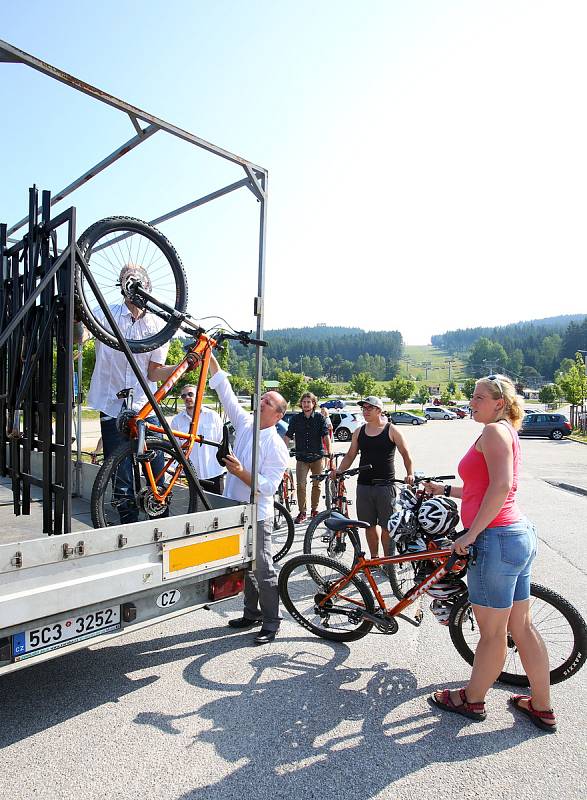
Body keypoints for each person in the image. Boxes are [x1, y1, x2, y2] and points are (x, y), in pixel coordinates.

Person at [426, 374, 556, 732]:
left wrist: (470, 534)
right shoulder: (504, 432)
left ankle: (472, 699)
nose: (472, 402)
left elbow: (500, 487)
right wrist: (443, 489)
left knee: (493, 632)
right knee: (521, 626)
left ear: (499, 402)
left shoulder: (494, 432)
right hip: (515, 535)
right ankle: (541, 705)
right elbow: (482, 489)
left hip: (496, 540)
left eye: (479, 397)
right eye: (473, 396)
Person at [78, 264, 180, 524]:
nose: (131, 282)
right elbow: (83, 335)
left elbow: (154, 371)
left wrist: (180, 367)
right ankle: (129, 528)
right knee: (120, 477)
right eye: (125, 279)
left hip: (145, 404)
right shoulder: (106, 314)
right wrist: (77, 322)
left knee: (157, 470)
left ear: (147, 286)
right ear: (120, 285)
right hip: (112, 403)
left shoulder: (158, 325)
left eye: (136, 279)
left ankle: (162, 523)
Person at [208, 353, 289, 645]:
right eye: (263, 397)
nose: (262, 401)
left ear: (277, 415)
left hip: (258, 514)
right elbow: (224, 390)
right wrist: (210, 356)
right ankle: (251, 613)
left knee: (263, 567)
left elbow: (267, 487)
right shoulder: (245, 422)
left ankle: (272, 621)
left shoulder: (277, 446)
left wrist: (242, 473)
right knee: (245, 566)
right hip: (235, 509)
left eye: (269, 401)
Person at [332, 396, 414, 558]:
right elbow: (350, 455)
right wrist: (339, 470)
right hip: (364, 486)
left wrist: (409, 473)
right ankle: (375, 558)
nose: (365, 411)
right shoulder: (359, 432)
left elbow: (405, 454)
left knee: (387, 526)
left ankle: (387, 561)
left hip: (385, 486)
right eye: (364, 408)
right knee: (368, 525)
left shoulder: (391, 430)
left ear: (379, 410)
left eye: (369, 408)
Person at [285, 392, 333, 523]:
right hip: (301, 458)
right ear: (301, 403)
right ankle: (302, 512)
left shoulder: (320, 418)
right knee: (301, 485)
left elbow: (325, 435)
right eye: (304, 402)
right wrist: (282, 450)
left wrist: (330, 451)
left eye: (308, 402)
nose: (306, 404)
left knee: (316, 485)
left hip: (317, 457)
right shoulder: (296, 419)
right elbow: (288, 435)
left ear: (313, 404)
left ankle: (314, 509)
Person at [170, 385, 226, 495]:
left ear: (199, 395)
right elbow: (175, 448)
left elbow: (222, 442)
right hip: (190, 476)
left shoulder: (213, 416)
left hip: (214, 473)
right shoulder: (176, 421)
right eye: (184, 395)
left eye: (190, 394)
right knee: (193, 510)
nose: (187, 397)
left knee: (216, 508)